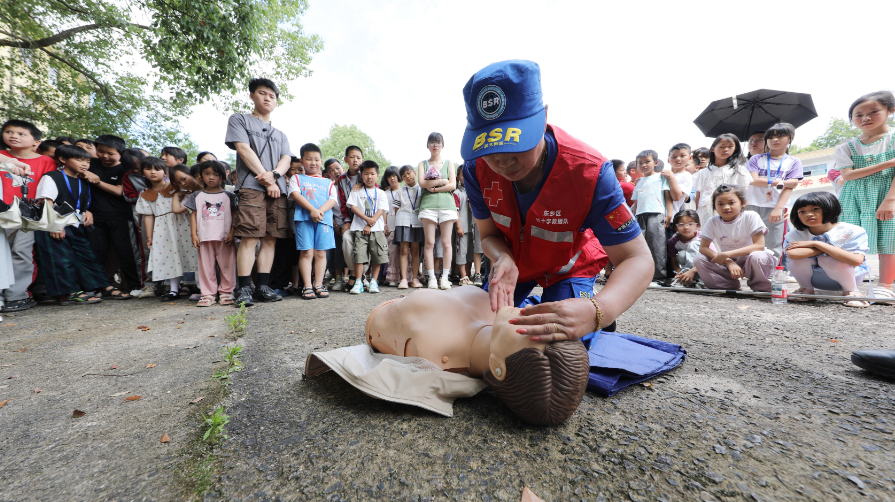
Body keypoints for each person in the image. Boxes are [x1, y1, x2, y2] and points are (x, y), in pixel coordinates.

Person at [460, 60, 653, 343]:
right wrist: (503, 258)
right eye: (490, 148)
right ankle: (531, 306)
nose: (502, 162)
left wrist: (599, 310)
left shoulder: (590, 173)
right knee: (477, 331)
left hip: (569, 265)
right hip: (514, 266)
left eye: (515, 142)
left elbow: (637, 258)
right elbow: (489, 235)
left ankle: (586, 309)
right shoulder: (476, 170)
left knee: (556, 346)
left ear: (543, 116)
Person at [33, 144, 132, 304]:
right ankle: (70, 292)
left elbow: (80, 201)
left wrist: (87, 211)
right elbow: (46, 201)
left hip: (75, 223)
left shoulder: (82, 179)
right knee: (61, 259)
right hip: (55, 223)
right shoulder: (51, 177)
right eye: (79, 160)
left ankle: (103, 286)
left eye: (87, 161)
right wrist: (55, 225)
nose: (85, 164)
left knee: (87, 256)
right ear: (63, 159)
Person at [225, 78, 292, 306]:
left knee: (271, 238)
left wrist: (274, 177)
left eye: (272, 96)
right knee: (250, 237)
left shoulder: (281, 134)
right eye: (262, 93)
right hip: (252, 187)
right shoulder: (239, 119)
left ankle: (263, 286)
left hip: (277, 189)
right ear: (252, 95)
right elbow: (243, 149)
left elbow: (286, 159)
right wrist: (266, 178)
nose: (267, 98)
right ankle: (244, 288)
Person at [835, 90, 895, 301]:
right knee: (850, 241)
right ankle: (850, 284)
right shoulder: (846, 147)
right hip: (855, 197)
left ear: (890, 110)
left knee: (889, 238)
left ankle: (886, 285)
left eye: (873, 111)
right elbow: (848, 175)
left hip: (887, 193)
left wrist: (890, 200)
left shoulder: (893, 138)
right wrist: (889, 163)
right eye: (858, 114)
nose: (865, 118)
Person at [0, 120, 56, 311]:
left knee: (21, 253)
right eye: (8, 131)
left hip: (28, 215)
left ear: (36, 142)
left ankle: (17, 295)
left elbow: (50, 189)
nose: (13, 136)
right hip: (2, 212)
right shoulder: (1, 156)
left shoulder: (46, 161)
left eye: (21, 133)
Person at [784, 192, 870, 307]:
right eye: (802, 211)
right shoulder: (795, 235)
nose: (808, 214)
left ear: (830, 208)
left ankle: (851, 291)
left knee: (828, 259)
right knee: (801, 259)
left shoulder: (852, 230)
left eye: (815, 209)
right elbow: (793, 255)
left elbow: (856, 260)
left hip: (850, 277)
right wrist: (831, 249)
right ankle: (806, 290)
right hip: (815, 280)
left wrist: (816, 244)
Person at [82, 134, 143, 295]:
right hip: (95, 216)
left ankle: (134, 286)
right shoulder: (91, 164)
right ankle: (98, 286)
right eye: (101, 151)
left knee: (126, 252)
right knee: (97, 252)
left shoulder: (125, 169)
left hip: (121, 217)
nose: (105, 156)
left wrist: (97, 180)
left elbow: (119, 191)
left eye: (110, 153)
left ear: (120, 153)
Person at [694, 185, 776, 292]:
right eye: (720, 204)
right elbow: (703, 248)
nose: (726, 207)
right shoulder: (712, 221)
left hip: (750, 260)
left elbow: (759, 245)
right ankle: (726, 285)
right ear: (714, 206)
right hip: (727, 261)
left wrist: (727, 254)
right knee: (699, 258)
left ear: (743, 203)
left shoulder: (751, 216)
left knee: (758, 256)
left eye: (731, 202)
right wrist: (728, 260)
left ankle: (761, 287)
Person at [138, 157, 198, 301]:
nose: (153, 172)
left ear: (166, 172)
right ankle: (173, 290)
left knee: (192, 253)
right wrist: (149, 237)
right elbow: (149, 216)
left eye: (157, 169)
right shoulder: (145, 195)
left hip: (183, 224)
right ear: (142, 172)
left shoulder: (177, 187)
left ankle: (199, 286)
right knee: (170, 257)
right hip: (162, 229)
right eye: (148, 169)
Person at [179, 161, 237, 307]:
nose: (211, 177)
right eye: (207, 174)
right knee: (206, 267)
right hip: (204, 237)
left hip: (224, 237)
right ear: (201, 176)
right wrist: (194, 235)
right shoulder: (197, 196)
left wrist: (232, 232)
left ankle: (226, 293)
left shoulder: (229, 196)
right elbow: (193, 215)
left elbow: (235, 216)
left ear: (223, 177)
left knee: (227, 266)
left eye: (216, 174)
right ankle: (208, 294)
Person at [745, 123, 804, 261]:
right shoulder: (756, 158)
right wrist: (780, 182)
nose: (775, 140)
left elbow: (791, 186)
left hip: (776, 206)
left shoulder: (793, 162)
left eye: (780, 136)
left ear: (789, 139)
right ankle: (750, 269)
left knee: (774, 243)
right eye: (771, 137)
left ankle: (774, 273)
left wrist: (778, 208)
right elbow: (753, 180)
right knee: (749, 239)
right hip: (752, 205)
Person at [289, 143, 337, 300]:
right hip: (303, 220)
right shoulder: (297, 178)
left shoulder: (329, 182)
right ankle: (307, 286)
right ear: (302, 161)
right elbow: (296, 195)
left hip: (324, 221)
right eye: (309, 159)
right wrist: (312, 210)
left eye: (316, 159)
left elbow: (332, 199)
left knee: (321, 253)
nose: (313, 163)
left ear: (321, 161)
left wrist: (319, 211)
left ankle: (319, 284)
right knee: (306, 252)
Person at [417, 133, 457, 289]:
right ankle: (432, 277)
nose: (435, 145)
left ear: (442, 146)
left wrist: (433, 189)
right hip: (428, 206)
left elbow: (453, 185)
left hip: (447, 205)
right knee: (430, 243)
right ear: (427, 145)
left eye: (438, 142)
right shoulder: (422, 164)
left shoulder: (449, 163)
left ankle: (445, 278)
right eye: (432, 142)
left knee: (447, 243)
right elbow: (421, 183)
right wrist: (441, 182)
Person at [631, 150, 673, 285]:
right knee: (640, 246)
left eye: (647, 161)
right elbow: (636, 202)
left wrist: (669, 214)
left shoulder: (661, 178)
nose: (643, 165)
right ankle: (641, 276)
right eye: (640, 163)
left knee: (657, 245)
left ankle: (658, 277)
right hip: (639, 216)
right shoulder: (639, 182)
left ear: (655, 163)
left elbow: (668, 197)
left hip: (656, 213)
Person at [347, 161, 388, 294]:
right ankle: (358, 282)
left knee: (378, 256)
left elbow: (381, 209)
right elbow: (353, 207)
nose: (369, 177)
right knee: (359, 255)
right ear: (361, 175)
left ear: (377, 175)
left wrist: (370, 223)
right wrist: (366, 220)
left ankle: (374, 282)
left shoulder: (381, 193)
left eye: (372, 174)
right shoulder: (356, 190)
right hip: (360, 228)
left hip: (377, 229)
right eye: (365, 174)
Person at [693, 133, 751, 225]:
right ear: (712, 149)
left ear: (735, 149)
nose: (726, 150)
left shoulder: (739, 170)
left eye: (730, 147)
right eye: (722, 147)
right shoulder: (703, 172)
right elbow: (699, 194)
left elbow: (742, 193)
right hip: (705, 211)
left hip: (728, 210)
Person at [337, 146, 366, 292]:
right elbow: (343, 203)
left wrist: (363, 184)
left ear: (362, 160)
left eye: (358, 157)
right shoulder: (341, 180)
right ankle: (354, 274)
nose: (355, 160)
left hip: (366, 220)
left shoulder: (367, 175)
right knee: (347, 240)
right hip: (351, 220)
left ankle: (363, 277)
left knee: (365, 244)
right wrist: (346, 221)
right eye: (352, 157)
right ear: (346, 159)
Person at [394, 165, 424, 289]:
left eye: (409, 173)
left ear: (415, 173)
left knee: (416, 250)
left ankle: (415, 278)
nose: (407, 176)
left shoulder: (422, 189)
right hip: (403, 221)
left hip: (418, 221)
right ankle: (404, 279)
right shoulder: (400, 191)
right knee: (404, 250)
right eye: (404, 176)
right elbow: (396, 208)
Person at [454, 165, 483, 286]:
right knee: (462, 251)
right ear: (458, 177)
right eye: (462, 175)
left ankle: (467, 274)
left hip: (474, 228)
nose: (465, 178)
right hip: (463, 228)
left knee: (472, 252)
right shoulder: (456, 193)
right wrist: (458, 226)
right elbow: (455, 211)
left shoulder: (474, 191)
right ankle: (463, 276)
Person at [323, 158, 347, 290]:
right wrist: (335, 225)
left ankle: (359, 278)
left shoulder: (349, 185)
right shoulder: (328, 188)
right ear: (327, 175)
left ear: (343, 169)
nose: (336, 172)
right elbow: (328, 209)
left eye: (337, 168)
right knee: (337, 251)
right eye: (331, 170)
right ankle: (338, 278)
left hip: (350, 223)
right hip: (335, 224)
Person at [668, 209, 705, 288]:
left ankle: (696, 279)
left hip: (702, 265)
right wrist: (679, 271)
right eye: (681, 224)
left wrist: (692, 271)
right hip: (686, 267)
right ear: (675, 227)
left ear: (697, 226)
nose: (686, 227)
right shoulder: (673, 241)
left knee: (693, 244)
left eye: (691, 224)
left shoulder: (702, 237)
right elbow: (673, 261)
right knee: (682, 254)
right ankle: (686, 278)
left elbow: (711, 257)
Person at [381, 166, 405, 287]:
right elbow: (384, 210)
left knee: (406, 252)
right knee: (392, 252)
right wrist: (385, 225)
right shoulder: (385, 193)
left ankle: (405, 276)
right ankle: (392, 277)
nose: (392, 179)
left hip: (404, 225)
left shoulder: (405, 190)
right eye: (389, 177)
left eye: (394, 176)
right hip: (390, 225)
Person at [666, 143, 693, 216]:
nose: (678, 159)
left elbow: (677, 197)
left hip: (671, 216)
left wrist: (671, 177)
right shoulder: (664, 175)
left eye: (682, 156)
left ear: (690, 158)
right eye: (674, 156)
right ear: (668, 160)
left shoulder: (686, 175)